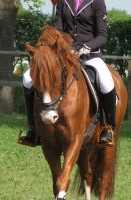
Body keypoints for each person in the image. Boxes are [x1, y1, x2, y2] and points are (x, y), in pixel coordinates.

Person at [19, 0, 116, 146]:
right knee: (27, 78)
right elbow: (58, 30)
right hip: (66, 55)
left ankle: (108, 128)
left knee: (106, 81)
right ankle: (32, 128)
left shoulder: (97, 2)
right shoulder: (63, 2)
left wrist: (87, 47)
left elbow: (102, 35)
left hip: (90, 55)